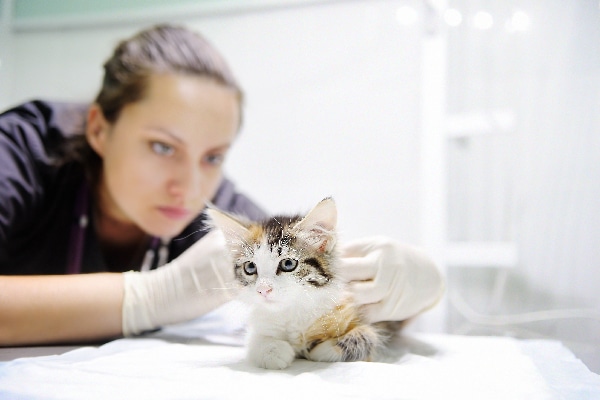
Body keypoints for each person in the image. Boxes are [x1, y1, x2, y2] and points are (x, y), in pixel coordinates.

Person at [0, 25, 443, 346]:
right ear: (99, 129)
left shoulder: (215, 210)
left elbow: (311, 289)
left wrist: (407, 290)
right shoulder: (21, 150)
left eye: (213, 156)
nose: (191, 188)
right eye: (161, 147)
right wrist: (151, 298)